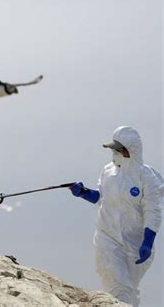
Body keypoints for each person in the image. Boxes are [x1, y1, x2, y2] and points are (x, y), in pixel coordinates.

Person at [70, 126, 162, 306]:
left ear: (130, 150)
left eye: (117, 149)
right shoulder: (108, 172)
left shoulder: (146, 177)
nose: (113, 153)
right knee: (118, 286)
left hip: (135, 243)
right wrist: (83, 192)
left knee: (129, 289)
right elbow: (102, 198)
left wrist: (148, 242)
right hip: (107, 239)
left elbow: (154, 211)